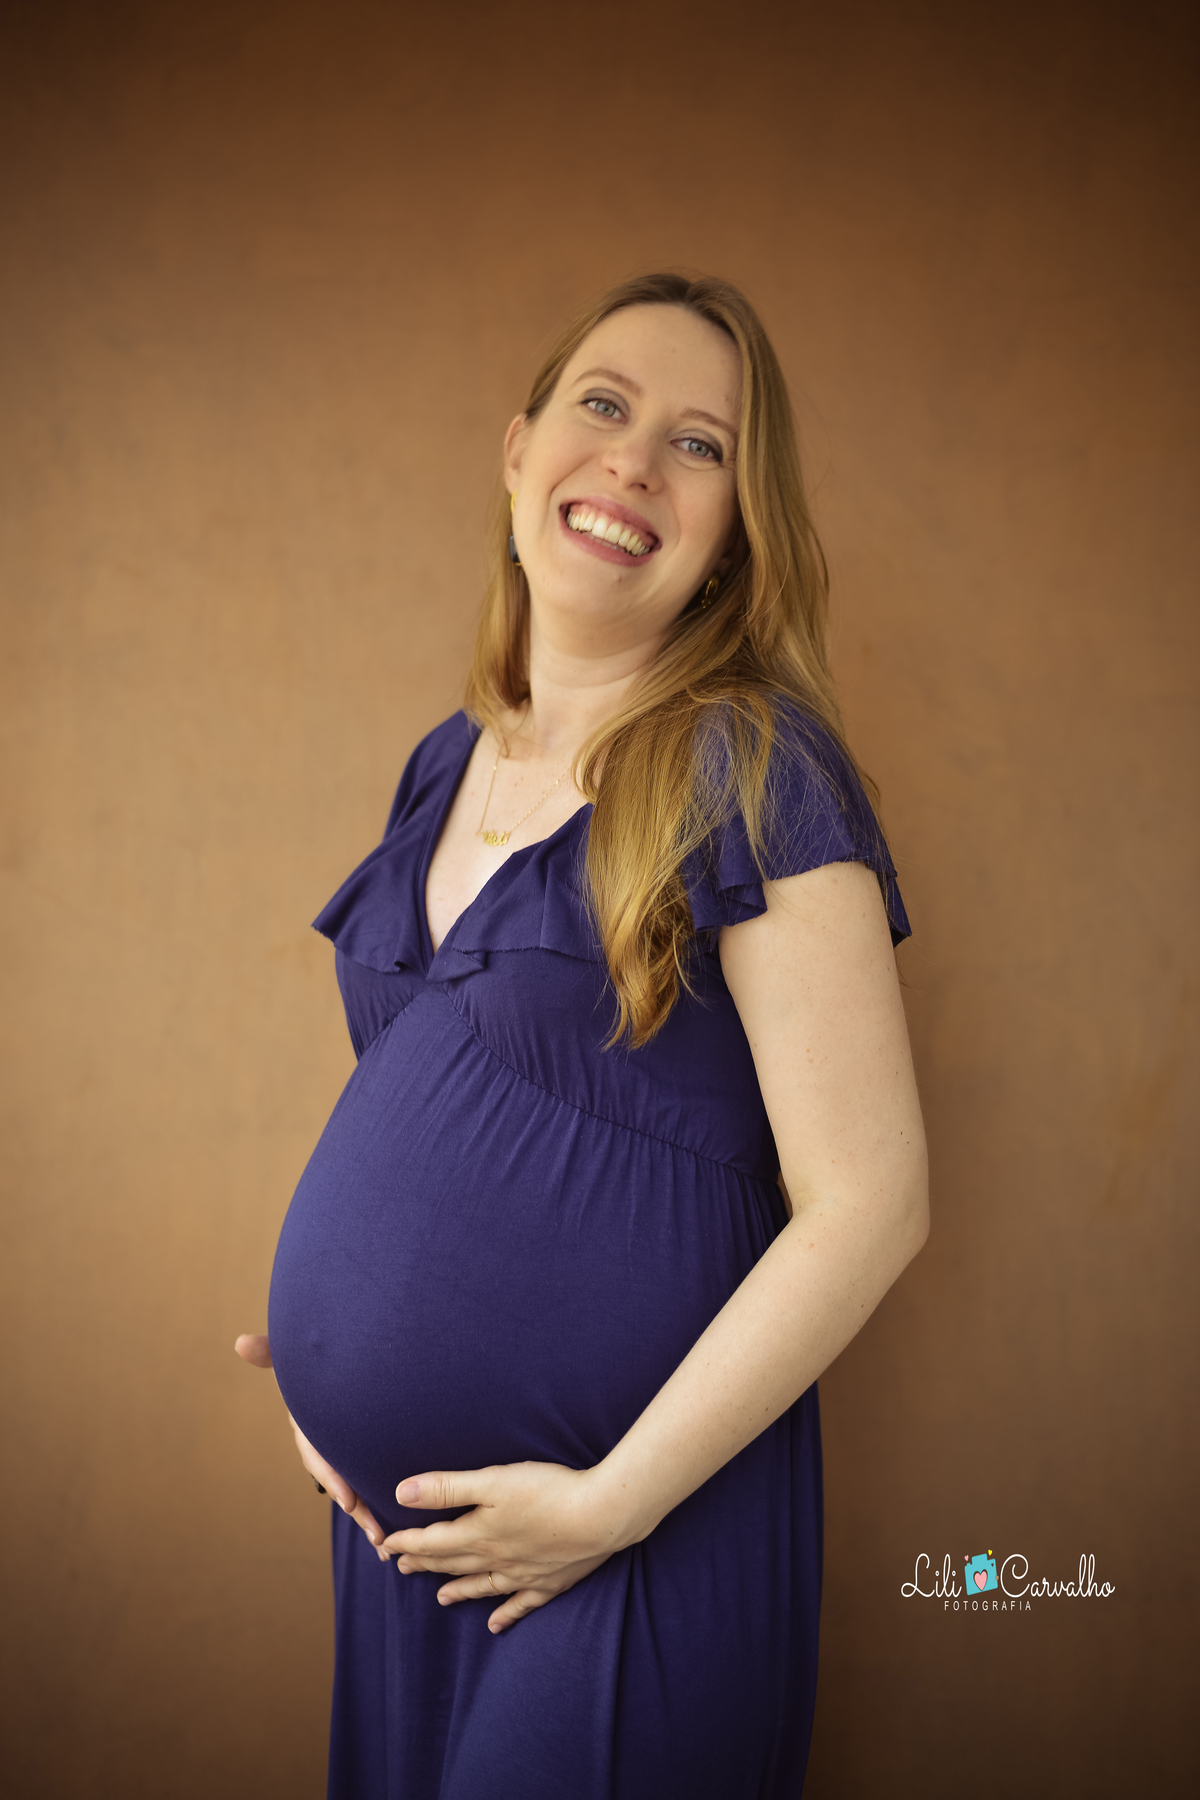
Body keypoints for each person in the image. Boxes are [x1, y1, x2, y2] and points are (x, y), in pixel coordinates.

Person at [236, 271, 928, 1799]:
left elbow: (873, 1204)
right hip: (409, 1533)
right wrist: (321, 1368)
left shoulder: (753, 764)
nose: (632, 461)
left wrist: (611, 1505)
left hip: (634, 1532)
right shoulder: (445, 763)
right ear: (518, 448)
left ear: (737, 528)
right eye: (603, 407)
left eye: (701, 445)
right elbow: (436, 1113)